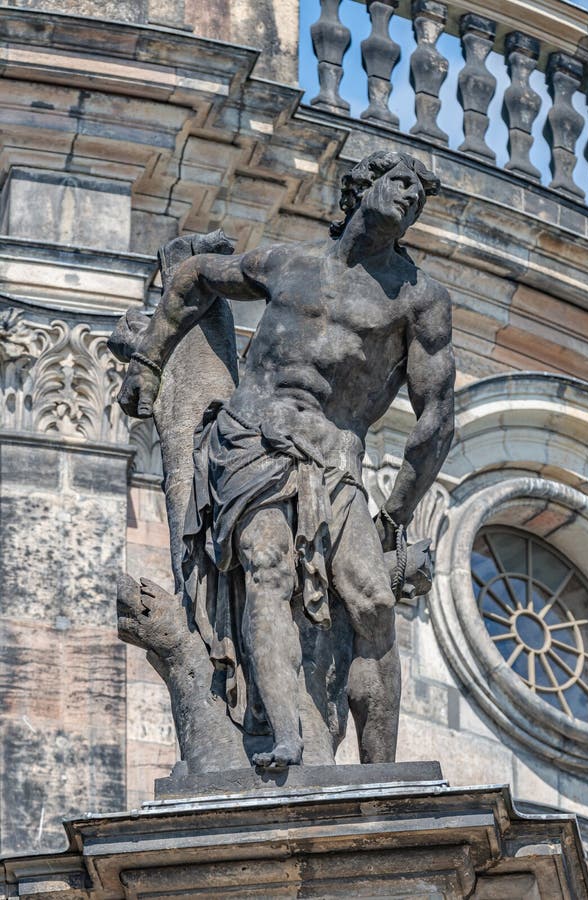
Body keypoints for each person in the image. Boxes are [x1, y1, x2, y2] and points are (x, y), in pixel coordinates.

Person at [117, 150, 455, 768]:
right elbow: (194, 275)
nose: (410, 197)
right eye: (400, 182)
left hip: (333, 452)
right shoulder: (288, 261)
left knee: (374, 601)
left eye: (420, 196)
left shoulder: (417, 299)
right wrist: (149, 358)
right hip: (252, 435)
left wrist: (397, 512)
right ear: (363, 188)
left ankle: (382, 772)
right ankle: (286, 736)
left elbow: (436, 418)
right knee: (266, 572)